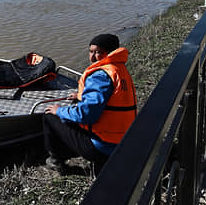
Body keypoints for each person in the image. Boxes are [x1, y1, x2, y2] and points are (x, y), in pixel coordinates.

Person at [43, 33, 137, 173]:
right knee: (71, 112)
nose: (92, 57)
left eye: (98, 52)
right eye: (91, 51)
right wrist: (80, 96)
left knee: (50, 117)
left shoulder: (100, 75)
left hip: (102, 147)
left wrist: (59, 111)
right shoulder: (118, 70)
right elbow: (110, 99)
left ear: (109, 53)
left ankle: (56, 161)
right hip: (122, 141)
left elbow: (87, 115)